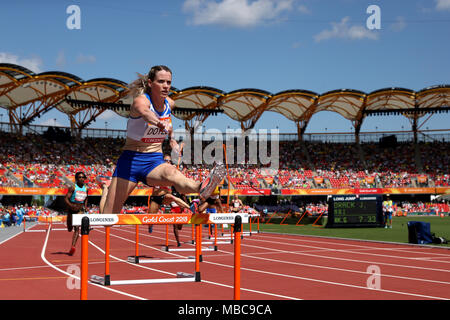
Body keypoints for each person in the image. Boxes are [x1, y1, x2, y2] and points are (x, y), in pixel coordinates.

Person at [101, 65, 225, 215]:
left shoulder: (169, 104)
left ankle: (203, 187)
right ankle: (105, 190)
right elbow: (145, 112)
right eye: (161, 81)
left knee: (172, 173)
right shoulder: (141, 101)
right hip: (130, 162)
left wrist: (172, 139)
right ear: (150, 83)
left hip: (154, 160)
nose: (166, 86)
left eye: (168, 82)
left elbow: (168, 122)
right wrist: (159, 123)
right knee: (108, 217)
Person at [65, 172, 89, 256]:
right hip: (71, 210)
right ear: (76, 179)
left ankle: (73, 247)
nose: (81, 179)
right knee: (69, 228)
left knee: (77, 228)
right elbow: (66, 199)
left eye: (83, 177)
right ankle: (69, 223)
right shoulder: (73, 187)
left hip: (80, 210)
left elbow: (86, 198)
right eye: (79, 177)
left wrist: (85, 207)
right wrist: (71, 205)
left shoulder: (86, 188)